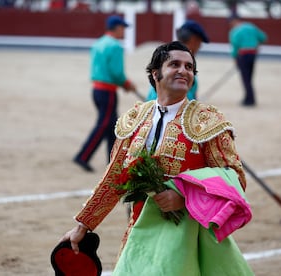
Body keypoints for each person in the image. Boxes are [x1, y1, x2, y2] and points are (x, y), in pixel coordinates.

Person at [61, 41, 253, 275]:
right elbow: (114, 177)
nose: (184, 70)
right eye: (175, 64)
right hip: (139, 226)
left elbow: (234, 179)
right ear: (156, 73)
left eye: (189, 67)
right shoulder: (135, 118)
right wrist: (84, 225)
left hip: (188, 233)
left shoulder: (207, 121)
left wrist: (185, 196)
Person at [73, 14, 137, 172]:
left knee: (111, 126)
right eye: (123, 28)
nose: (124, 32)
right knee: (104, 125)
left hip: (96, 90)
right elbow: (116, 72)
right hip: (108, 91)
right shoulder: (115, 46)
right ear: (117, 28)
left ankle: (113, 160)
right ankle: (83, 156)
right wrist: (126, 83)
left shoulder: (98, 43)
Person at [146, 19, 210, 101]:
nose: (200, 46)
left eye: (188, 67)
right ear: (194, 39)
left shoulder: (165, 60)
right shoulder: (186, 73)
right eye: (199, 41)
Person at [228, 15, 267, 107]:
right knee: (249, 77)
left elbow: (234, 47)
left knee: (246, 78)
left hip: (243, 55)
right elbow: (263, 38)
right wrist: (257, 44)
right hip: (253, 54)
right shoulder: (251, 27)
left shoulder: (235, 31)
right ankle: (248, 98)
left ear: (234, 21)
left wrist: (235, 60)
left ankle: (250, 100)